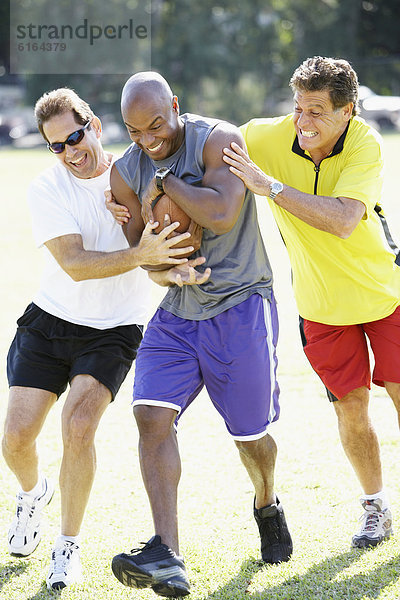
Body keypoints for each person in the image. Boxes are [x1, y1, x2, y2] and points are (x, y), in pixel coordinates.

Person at [2, 87, 203, 591]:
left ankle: (66, 545)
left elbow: (162, 242)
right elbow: (74, 264)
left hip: (114, 330)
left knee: (78, 425)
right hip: (51, 319)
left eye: (74, 136)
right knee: (15, 438)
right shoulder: (46, 189)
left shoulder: (131, 175)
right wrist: (141, 253)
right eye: (56, 145)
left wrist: (168, 264)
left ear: (92, 125)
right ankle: (33, 493)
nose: (70, 151)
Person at [107, 71, 293, 599]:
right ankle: (167, 553)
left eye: (156, 125)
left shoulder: (219, 140)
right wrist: (167, 273)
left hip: (239, 305)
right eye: (134, 130)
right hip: (180, 309)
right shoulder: (125, 173)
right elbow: (145, 256)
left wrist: (167, 184)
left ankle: (266, 502)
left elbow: (222, 210)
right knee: (149, 415)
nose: (147, 139)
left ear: (176, 106)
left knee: (250, 437)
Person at [223, 55, 400, 550]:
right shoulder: (270, 135)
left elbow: (344, 219)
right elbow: (206, 140)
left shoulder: (366, 142)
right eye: (299, 107)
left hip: (387, 296)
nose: (303, 122)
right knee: (351, 409)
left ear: (348, 111)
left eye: (318, 111)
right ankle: (376, 507)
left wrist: (270, 187)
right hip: (321, 308)